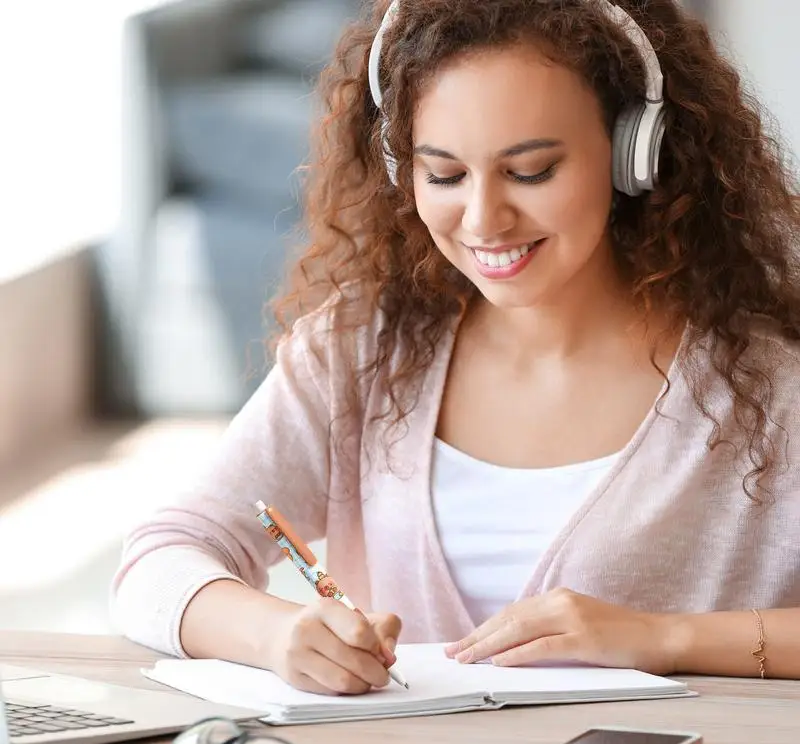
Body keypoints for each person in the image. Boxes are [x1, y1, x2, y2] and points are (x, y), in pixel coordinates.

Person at [111, 0, 800, 697]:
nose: (483, 220)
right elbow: (158, 561)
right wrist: (275, 635)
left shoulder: (769, 387)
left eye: (530, 172)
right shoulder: (361, 353)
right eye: (443, 175)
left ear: (635, 154)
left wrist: (666, 637)